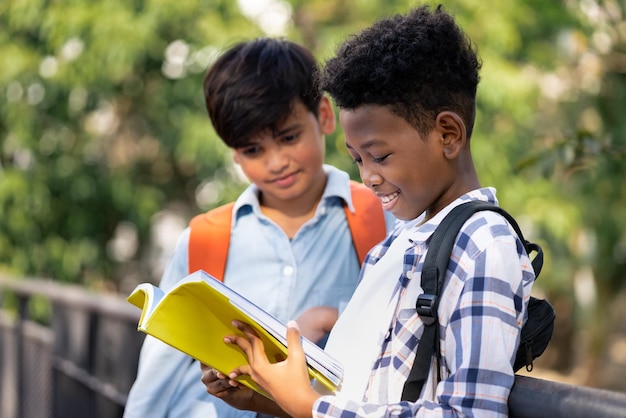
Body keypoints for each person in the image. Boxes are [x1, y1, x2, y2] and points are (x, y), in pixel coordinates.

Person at [201, 5, 537, 417]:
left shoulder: (484, 244)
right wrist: (264, 396)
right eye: (357, 159)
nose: (369, 177)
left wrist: (310, 408)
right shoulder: (395, 242)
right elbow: (356, 392)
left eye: (379, 156)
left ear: (448, 134)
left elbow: (473, 414)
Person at [123, 38, 394, 418]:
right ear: (234, 153)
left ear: (325, 116)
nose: (276, 161)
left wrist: (334, 318)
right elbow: (157, 376)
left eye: (288, 137)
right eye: (253, 150)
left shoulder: (382, 218)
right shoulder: (205, 237)